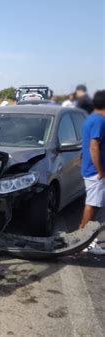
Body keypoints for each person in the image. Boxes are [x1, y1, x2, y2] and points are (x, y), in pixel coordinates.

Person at [79, 90, 105, 254]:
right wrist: (100, 171)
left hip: (90, 168)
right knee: (92, 205)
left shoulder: (91, 118)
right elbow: (93, 146)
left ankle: (85, 238)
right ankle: (84, 241)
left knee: (94, 204)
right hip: (95, 171)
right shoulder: (99, 121)